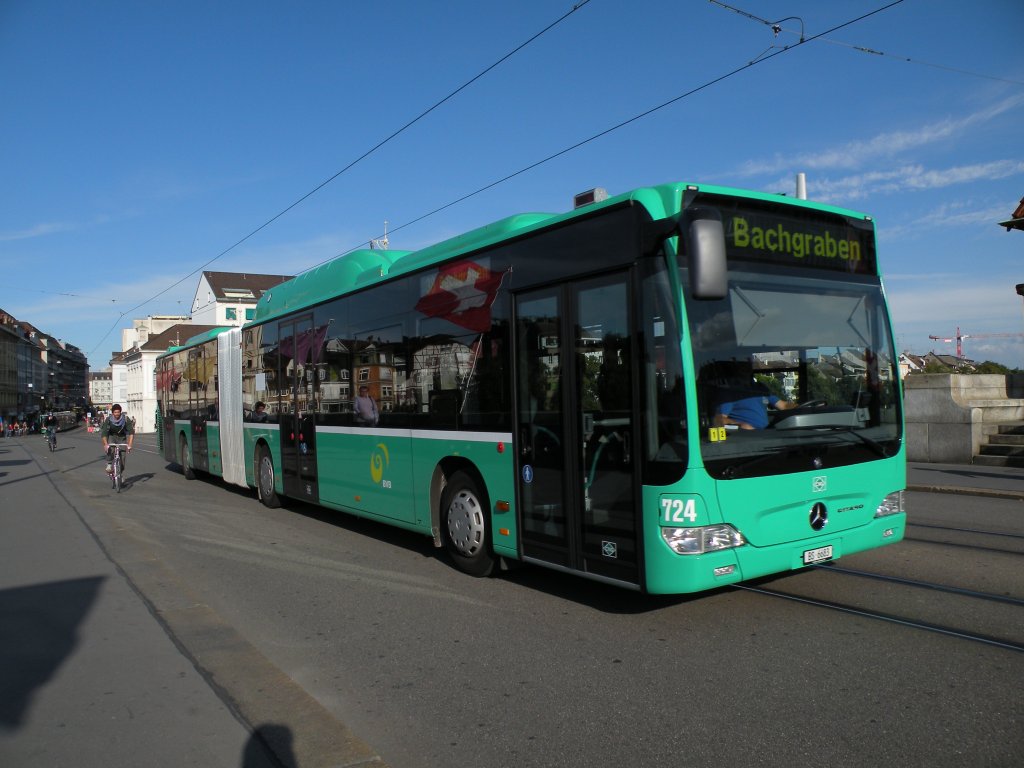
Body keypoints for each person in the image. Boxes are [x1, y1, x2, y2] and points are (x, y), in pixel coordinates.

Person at [101, 404, 135, 473]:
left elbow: (131, 432)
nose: (117, 414)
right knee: (111, 450)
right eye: (115, 412)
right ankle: (109, 464)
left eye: (118, 412)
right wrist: (106, 444)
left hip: (122, 437)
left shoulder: (125, 419)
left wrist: (129, 445)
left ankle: (120, 474)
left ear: (120, 412)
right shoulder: (108, 420)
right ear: (113, 413)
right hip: (112, 436)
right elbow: (104, 433)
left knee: (123, 457)